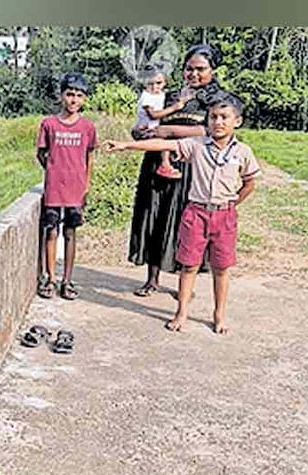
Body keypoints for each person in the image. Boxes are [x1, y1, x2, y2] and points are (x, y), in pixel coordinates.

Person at [106, 93, 260, 335]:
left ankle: (219, 315)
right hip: (196, 214)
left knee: (221, 268)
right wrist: (126, 145)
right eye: (213, 117)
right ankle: (181, 312)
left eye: (224, 117)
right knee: (189, 266)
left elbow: (250, 183)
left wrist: (233, 203)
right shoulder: (196, 145)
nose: (218, 122)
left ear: (237, 121)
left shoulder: (242, 152)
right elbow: (163, 144)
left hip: (224, 216)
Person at [128, 44, 225, 298]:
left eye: (200, 69)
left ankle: (185, 285)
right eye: (189, 69)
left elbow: (209, 131)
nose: (193, 74)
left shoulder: (217, 100)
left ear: (213, 70)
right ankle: (152, 279)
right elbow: (148, 121)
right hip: (157, 162)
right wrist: (139, 132)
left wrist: (168, 131)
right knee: (154, 216)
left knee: (186, 224)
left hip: (191, 166)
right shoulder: (168, 95)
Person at [35, 72, 97, 301]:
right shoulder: (49, 124)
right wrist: (54, 171)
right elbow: (41, 153)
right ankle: (51, 278)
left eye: (79, 96)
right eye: (70, 94)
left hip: (76, 190)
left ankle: (67, 280)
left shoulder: (87, 127)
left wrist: (85, 185)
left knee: (70, 232)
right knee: (51, 231)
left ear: (84, 99)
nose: (73, 100)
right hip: (54, 189)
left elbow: (89, 157)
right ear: (61, 95)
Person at [134, 67, 181, 180]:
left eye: (159, 83)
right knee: (165, 140)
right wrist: (174, 108)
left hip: (154, 127)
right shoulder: (147, 97)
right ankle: (165, 164)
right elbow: (153, 115)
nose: (155, 87)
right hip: (146, 129)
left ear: (165, 82)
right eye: (150, 84)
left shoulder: (161, 94)